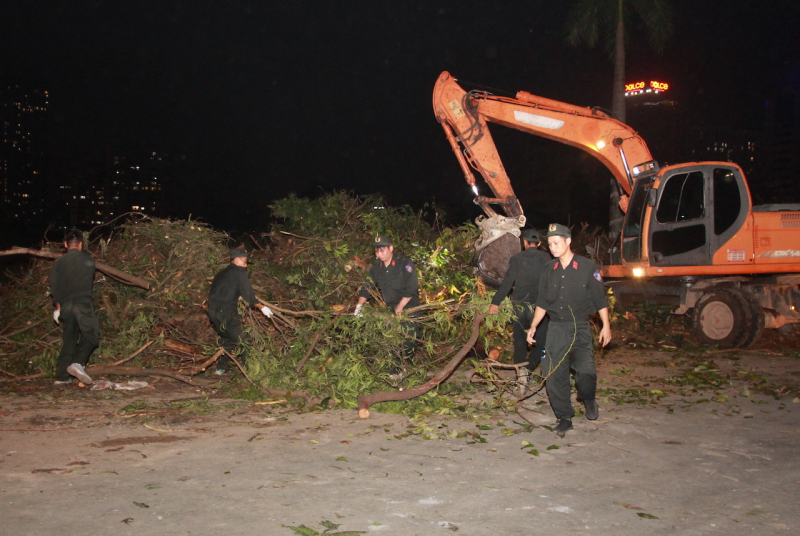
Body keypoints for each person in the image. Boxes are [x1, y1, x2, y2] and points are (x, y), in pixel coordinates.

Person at [527, 223, 611, 437]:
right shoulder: (549, 270)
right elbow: (543, 302)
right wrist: (534, 326)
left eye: (556, 243)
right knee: (553, 372)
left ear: (568, 241)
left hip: (580, 328)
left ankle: (588, 397)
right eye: (549, 244)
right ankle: (564, 416)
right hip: (556, 329)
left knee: (586, 372)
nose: (552, 247)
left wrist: (606, 326)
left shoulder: (587, 267)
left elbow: (600, 299)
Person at [488, 229, 551, 396]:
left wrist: (495, 302)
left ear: (524, 243)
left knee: (519, 342)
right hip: (539, 308)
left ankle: (521, 373)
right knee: (541, 342)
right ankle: (529, 369)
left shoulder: (516, 258)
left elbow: (507, 282)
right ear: (539, 244)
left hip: (519, 307)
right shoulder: (546, 258)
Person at [355, 236, 421, 374]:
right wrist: (359, 306)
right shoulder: (376, 267)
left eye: (382, 250)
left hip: (410, 306)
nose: (379, 254)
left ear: (391, 248)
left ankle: (406, 364)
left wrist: (400, 306)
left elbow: (412, 287)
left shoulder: (405, 263)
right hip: (391, 308)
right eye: (377, 251)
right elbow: (367, 286)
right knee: (392, 340)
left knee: (408, 340)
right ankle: (394, 371)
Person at [208, 246, 273, 375]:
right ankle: (252, 371)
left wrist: (236, 295)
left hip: (213, 313)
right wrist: (262, 307)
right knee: (242, 340)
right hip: (227, 312)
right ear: (237, 259)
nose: (246, 264)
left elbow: (218, 291)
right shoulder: (239, 271)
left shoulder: (221, 274)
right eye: (244, 261)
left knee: (227, 339)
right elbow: (249, 296)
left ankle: (220, 369)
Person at [50, 230, 99, 386]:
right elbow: (87, 282)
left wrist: (58, 309)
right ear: (80, 244)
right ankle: (77, 363)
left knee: (69, 339)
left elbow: (55, 288)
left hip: (66, 305)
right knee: (91, 335)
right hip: (82, 303)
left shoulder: (59, 262)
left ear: (65, 244)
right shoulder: (88, 260)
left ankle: (61, 376)